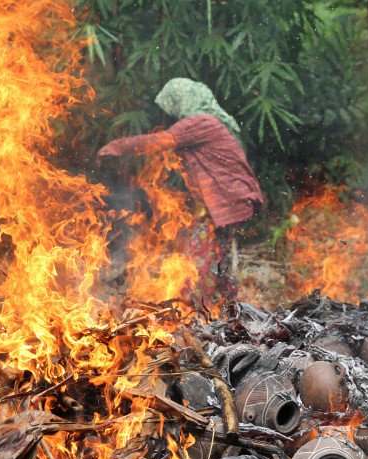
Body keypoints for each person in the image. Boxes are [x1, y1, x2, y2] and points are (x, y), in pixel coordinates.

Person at [97, 78, 264, 304]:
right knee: (218, 255)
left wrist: (117, 146)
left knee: (198, 257)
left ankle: (192, 308)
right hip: (230, 202)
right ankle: (224, 307)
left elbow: (160, 141)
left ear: (182, 101)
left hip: (225, 202)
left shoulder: (201, 123)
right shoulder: (211, 123)